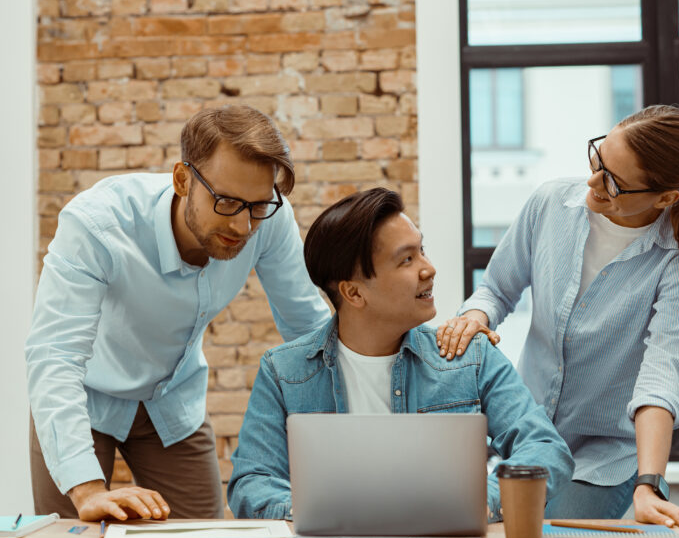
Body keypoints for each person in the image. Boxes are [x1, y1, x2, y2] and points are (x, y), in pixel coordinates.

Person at [437, 105, 679, 535]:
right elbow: (496, 289)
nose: (592, 182)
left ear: (665, 198)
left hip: (601, 460)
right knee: (478, 534)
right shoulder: (549, 204)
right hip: (527, 438)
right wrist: (475, 317)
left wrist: (649, 486)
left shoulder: (678, 263)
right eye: (598, 160)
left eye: (613, 181)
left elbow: (661, 380)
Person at [25, 105, 332, 523]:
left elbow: (307, 329)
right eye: (226, 202)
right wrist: (88, 488)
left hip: (171, 402)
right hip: (81, 398)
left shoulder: (268, 219)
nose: (243, 226)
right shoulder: (97, 223)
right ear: (183, 179)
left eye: (257, 206)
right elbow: (54, 354)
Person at [228, 187, 573, 521]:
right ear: (353, 293)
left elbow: (545, 448)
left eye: (422, 250)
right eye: (407, 259)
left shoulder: (471, 356)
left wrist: (484, 498)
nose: (429, 269)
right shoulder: (283, 372)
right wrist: (317, 513)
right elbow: (251, 484)